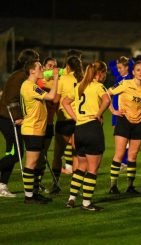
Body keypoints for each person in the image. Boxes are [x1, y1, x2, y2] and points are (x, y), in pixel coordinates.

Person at [63, 60, 110, 211]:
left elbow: (65, 102)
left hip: (79, 130)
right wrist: (98, 114)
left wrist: (76, 117)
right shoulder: (98, 86)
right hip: (92, 129)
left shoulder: (79, 86)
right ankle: (86, 203)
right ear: (99, 73)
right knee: (92, 169)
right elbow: (107, 100)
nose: (105, 76)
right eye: (104, 73)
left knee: (81, 166)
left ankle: (71, 199)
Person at [108, 61, 141, 194]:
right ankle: (113, 186)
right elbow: (107, 93)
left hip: (138, 123)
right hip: (124, 122)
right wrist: (113, 111)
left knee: (132, 156)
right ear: (133, 72)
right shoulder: (125, 83)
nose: (140, 72)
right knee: (119, 154)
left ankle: (130, 186)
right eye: (138, 70)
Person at [0, 49, 39, 198]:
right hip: (7, 119)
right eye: (37, 60)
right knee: (16, 154)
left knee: (12, 152)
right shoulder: (21, 77)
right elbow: (11, 99)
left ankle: (2, 185)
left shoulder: (19, 74)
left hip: (7, 118)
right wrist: (18, 118)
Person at [20, 59, 59, 204]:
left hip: (37, 129)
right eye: (39, 67)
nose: (42, 69)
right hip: (32, 129)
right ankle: (29, 197)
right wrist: (55, 78)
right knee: (31, 163)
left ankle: (34, 193)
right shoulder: (29, 86)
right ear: (32, 71)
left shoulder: (32, 85)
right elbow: (51, 96)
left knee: (37, 163)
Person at [50, 56, 84, 194]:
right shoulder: (82, 79)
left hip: (64, 119)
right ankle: (75, 187)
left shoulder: (63, 79)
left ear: (67, 66)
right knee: (76, 154)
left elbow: (56, 99)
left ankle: (55, 184)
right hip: (79, 120)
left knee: (58, 154)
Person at [108, 56, 134, 170]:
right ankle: (123, 161)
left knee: (125, 138)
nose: (118, 69)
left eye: (120, 68)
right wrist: (120, 60)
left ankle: (124, 162)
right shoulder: (119, 76)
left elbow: (132, 64)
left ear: (127, 67)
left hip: (124, 111)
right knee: (118, 138)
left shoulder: (130, 78)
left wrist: (129, 61)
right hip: (116, 111)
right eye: (118, 68)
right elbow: (110, 62)